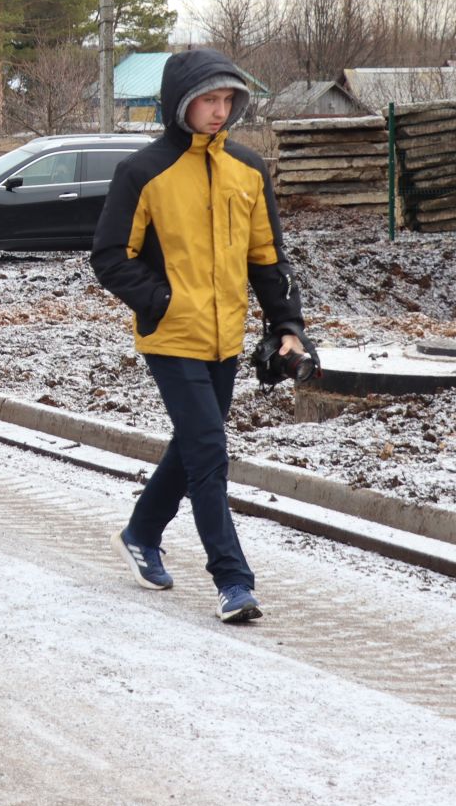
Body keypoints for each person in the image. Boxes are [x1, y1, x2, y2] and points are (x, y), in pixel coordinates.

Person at [91, 48, 309, 624]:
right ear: (180, 104)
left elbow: (268, 257)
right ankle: (233, 580)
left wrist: (287, 326)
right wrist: (161, 300)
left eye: (227, 100)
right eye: (208, 100)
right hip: (171, 337)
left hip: (227, 338)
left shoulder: (248, 168)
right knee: (210, 453)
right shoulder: (143, 172)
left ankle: (141, 532)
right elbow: (111, 257)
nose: (219, 111)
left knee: (194, 448)